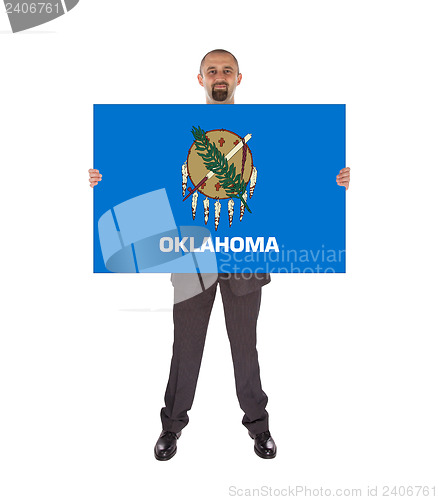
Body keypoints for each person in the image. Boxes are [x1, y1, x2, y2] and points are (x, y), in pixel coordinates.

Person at [89, 49, 351, 461]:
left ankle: (258, 426)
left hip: (245, 262)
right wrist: (107, 179)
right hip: (191, 260)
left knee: (245, 347)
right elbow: (141, 173)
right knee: (186, 347)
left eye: (226, 70)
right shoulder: (170, 132)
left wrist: (331, 180)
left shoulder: (268, 131)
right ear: (200, 80)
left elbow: (295, 177)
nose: (219, 76)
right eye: (212, 70)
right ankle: (171, 426)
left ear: (239, 78)